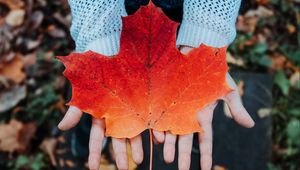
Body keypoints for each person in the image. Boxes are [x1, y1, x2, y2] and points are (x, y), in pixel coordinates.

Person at [58, 0, 255, 170]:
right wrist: (100, 31)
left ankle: (191, 126)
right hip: (114, 17)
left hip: (185, 15)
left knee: (196, 108)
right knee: (95, 110)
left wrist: (207, 27)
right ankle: (89, 137)